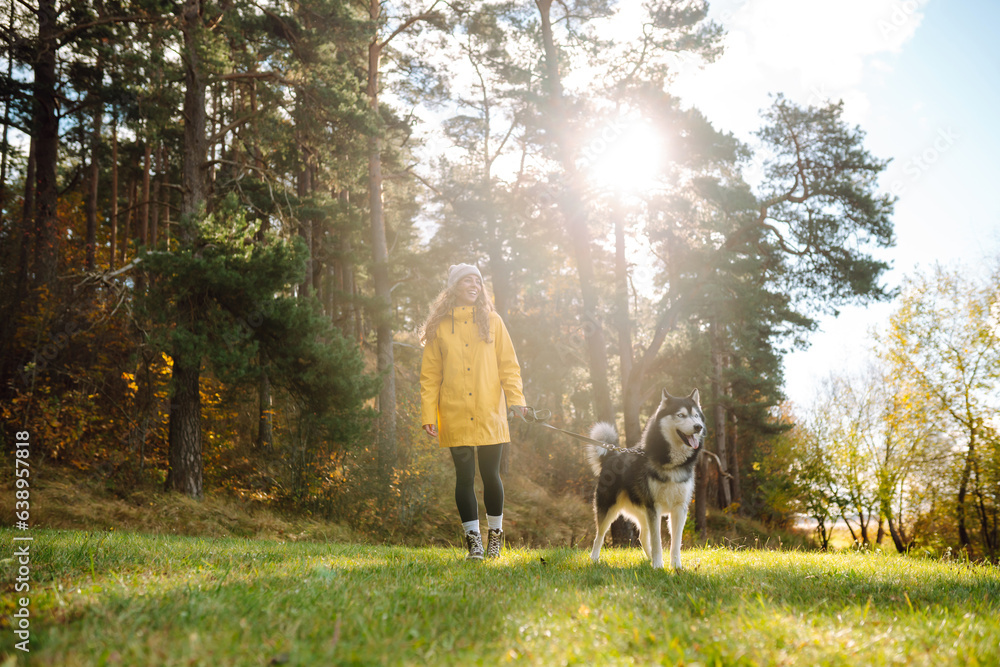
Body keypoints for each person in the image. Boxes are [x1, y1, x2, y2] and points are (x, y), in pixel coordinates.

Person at [419, 263, 526, 560]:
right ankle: (473, 542)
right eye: (468, 281)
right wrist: (428, 414)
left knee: (491, 474)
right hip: (453, 411)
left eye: (478, 281)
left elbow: (509, 366)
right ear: (454, 287)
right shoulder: (439, 328)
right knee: (464, 477)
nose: (474, 285)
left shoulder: (493, 321)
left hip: (490, 410)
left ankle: (495, 537)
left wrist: (516, 400)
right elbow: (430, 376)